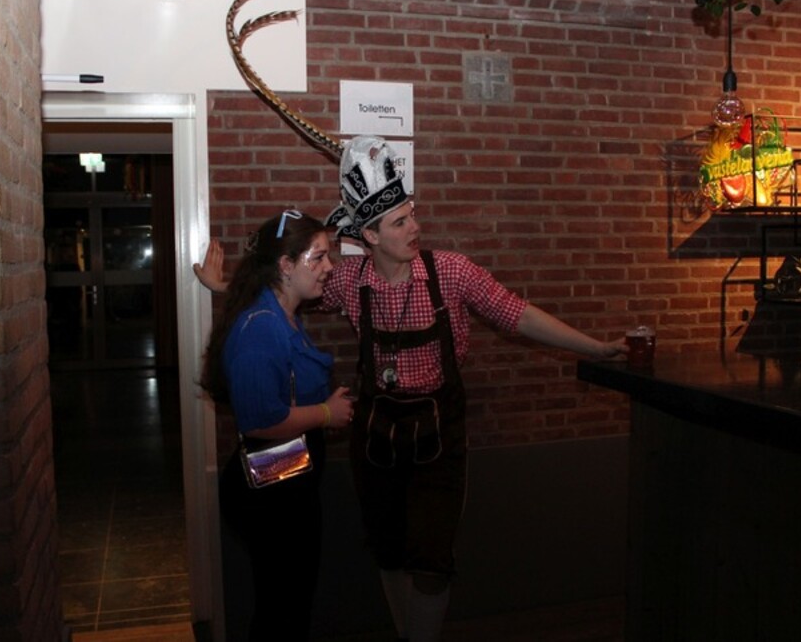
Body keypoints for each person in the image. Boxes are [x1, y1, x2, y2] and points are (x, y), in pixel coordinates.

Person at [196, 136, 626, 642]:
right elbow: (282, 286)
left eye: (412, 215)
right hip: (375, 438)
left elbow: (518, 315)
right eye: (400, 222)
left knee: (432, 562)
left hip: (439, 438)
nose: (416, 227)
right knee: (389, 552)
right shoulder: (347, 280)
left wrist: (595, 348)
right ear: (370, 235)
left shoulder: (451, 272)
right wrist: (223, 286)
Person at [197, 209, 354, 641]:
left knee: (291, 599)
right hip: (270, 492)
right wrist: (327, 413)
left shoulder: (280, 311)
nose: (328, 267)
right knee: (281, 606)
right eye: (318, 258)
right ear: (286, 265)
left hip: (289, 479)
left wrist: (220, 286)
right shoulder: (261, 330)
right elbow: (261, 421)